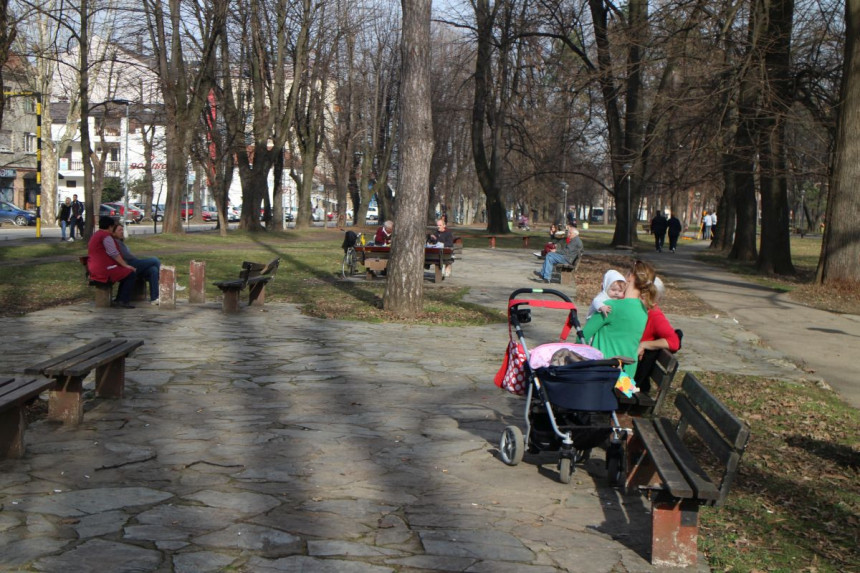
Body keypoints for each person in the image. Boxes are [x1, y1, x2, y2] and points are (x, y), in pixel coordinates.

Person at [581, 260, 657, 377]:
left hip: (602, 372)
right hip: (626, 377)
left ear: (631, 277)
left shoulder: (611, 307)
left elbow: (582, 336)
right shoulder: (643, 311)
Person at [635, 277, 682, 390]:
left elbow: (674, 342)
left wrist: (644, 344)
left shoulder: (655, 316)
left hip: (634, 374)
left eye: (644, 294)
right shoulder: (635, 309)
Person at [87, 215, 137, 309]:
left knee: (126, 273)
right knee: (130, 273)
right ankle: (122, 300)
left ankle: (120, 299)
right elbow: (114, 253)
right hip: (103, 270)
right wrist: (125, 265)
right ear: (110, 227)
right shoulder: (106, 237)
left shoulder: (96, 235)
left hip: (94, 268)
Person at [111, 222, 163, 305]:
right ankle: (167, 280)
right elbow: (127, 256)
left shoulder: (120, 242)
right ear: (113, 232)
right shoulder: (115, 242)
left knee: (153, 270)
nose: (122, 232)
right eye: (119, 230)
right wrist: (137, 260)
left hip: (131, 263)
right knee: (154, 260)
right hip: (127, 264)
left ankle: (154, 298)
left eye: (122, 230)